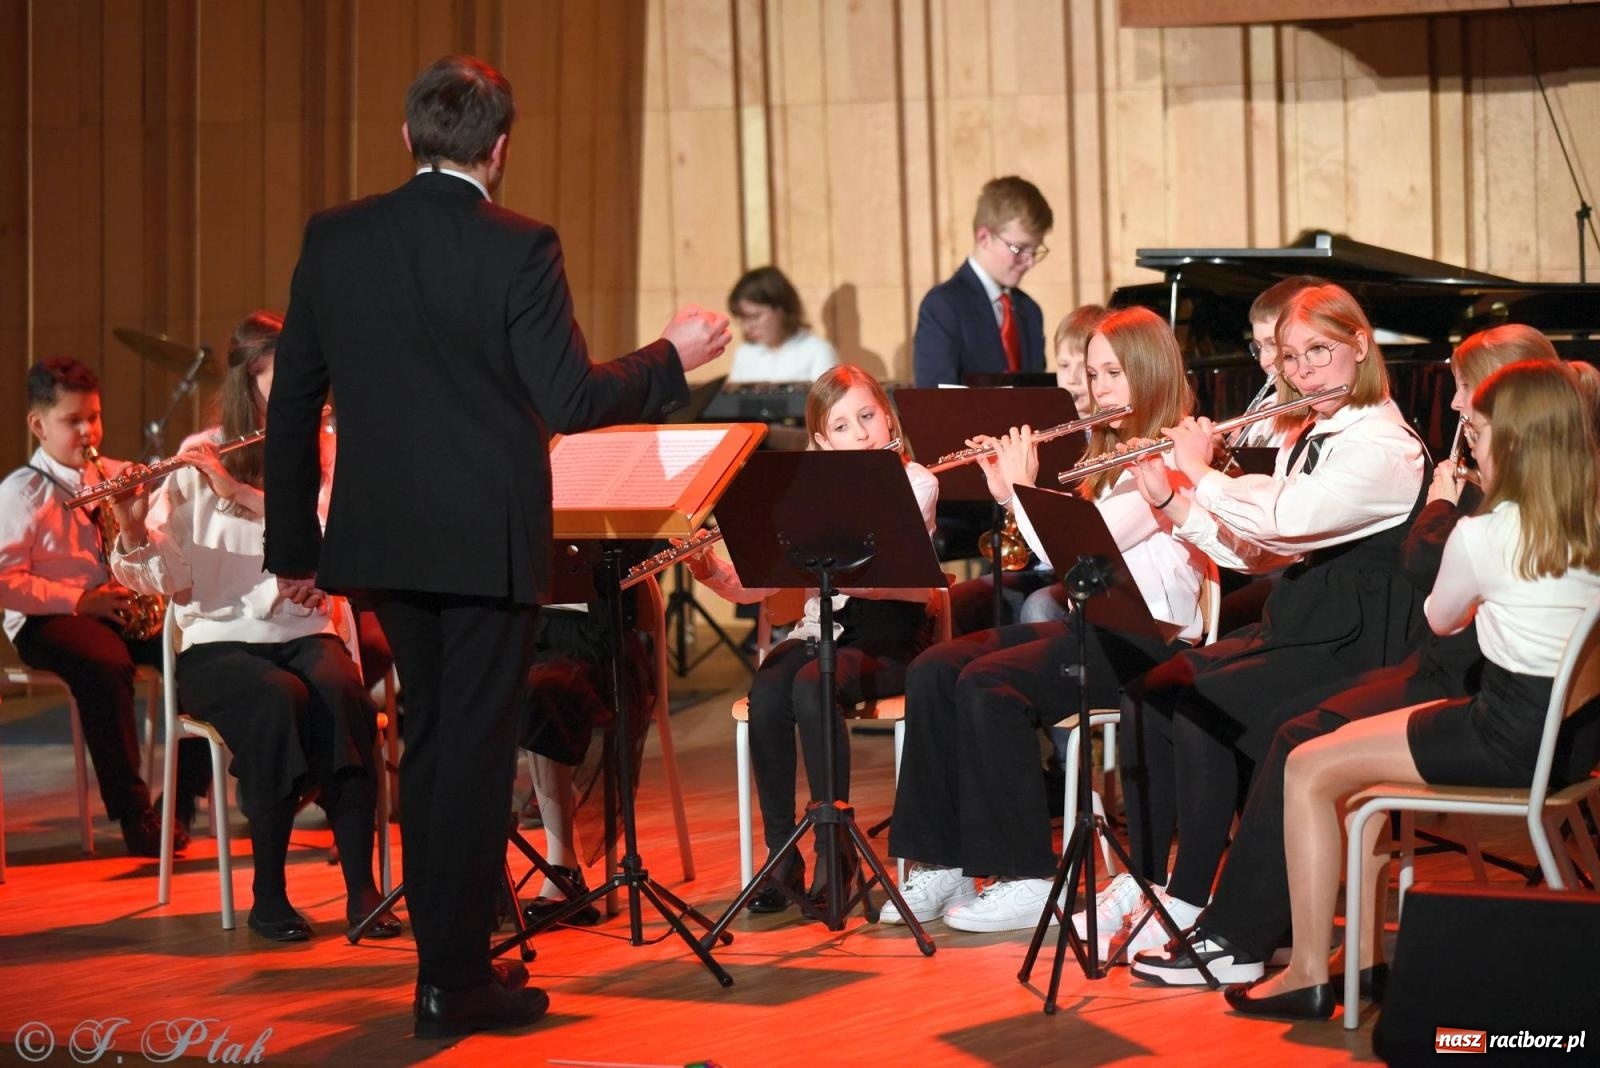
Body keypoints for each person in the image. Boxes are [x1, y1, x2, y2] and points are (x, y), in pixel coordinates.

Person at [262, 54, 729, 1039]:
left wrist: (293, 541)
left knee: (435, 741)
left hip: (381, 539)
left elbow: (295, 398)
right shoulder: (519, 244)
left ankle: (447, 966)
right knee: (468, 754)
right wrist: (668, 358)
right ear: (502, 148)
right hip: (484, 542)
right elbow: (570, 400)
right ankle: (455, 981)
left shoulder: (335, 237)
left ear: (407, 139)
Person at [1129, 323, 1563, 987]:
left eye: (1466, 392)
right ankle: (1255, 926)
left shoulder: (1480, 505)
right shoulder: (1555, 498)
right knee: (1266, 714)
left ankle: (1240, 937)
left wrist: (1444, 508)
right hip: (1526, 706)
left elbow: (1438, 611)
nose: (1452, 407)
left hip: (1468, 689)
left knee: (1298, 737)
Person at [1227, 359, 1600, 1019]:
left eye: (1478, 432)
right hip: (1571, 743)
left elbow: (1440, 616)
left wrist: (1441, 505)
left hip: (1504, 737)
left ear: (1511, 444)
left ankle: (1308, 974)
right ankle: (1360, 962)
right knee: (1345, 758)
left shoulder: (1483, 534)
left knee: (1309, 764)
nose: (1470, 442)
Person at [1096, 282, 1427, 959]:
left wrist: (1201, 473)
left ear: (1360, 347)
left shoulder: (1385, 447)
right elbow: (1259, 551)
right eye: (1292, 359)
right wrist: (1175, 504)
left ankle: (1204, 908)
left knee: (1204, 702)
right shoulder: (1314, 436)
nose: (1306, 374)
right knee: (1154, 692)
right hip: (1306, 627)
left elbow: (1287, 518)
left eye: (1321, 353)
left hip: (1359, 646)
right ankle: (1161, 885)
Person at [881, 306, 1207, 932]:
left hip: (1153, 643)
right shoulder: (1108, 451)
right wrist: (1014, 491)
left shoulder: (1165, 458)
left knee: (988, 684)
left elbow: (1086, 548)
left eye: (1113, 373)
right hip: (1099, 626)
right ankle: (945, 858)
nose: (1098, 388)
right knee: (934, 667)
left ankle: (1028, 876)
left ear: (1150, 372)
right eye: (1093, 373)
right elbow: (1072, 547)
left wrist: (1018, 492)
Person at [109, 311, 397, 944]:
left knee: (344, 696)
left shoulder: (326, 451)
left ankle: (363, 894)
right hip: (218, 642)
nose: (307, 386)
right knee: (276, 699)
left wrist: (238, 492)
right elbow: (172, 579)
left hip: (306, 627)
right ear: (249, 379)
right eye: (286, 373)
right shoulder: (197, 455)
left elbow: (336, 544)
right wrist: (133, 525)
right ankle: (269, 895)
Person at [683, 365, 939, 913]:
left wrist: (815, 538)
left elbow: (887, 573)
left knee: (808, 685)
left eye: (868, 416)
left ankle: (834, 847)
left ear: (887, 417)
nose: (862, 433)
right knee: (771, 685)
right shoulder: (803, 495)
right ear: (823, 441)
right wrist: (709, 567)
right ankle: (782, 856)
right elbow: (756, 588)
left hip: (890, 634)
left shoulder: (914, 481)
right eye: (843, 426)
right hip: (825, 630)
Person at [0, 357, 208, 857]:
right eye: (73, 421)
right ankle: (134, 813)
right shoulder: (19, 493)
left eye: (93, 417)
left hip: (123, 611)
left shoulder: (116, 474)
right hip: (50, 618)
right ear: (38, 424)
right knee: (103, 665)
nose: (89, 430)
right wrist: (79, 599)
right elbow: (6, 581)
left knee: (202, 658)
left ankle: (179, 805)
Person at [913, 176, 1052, 387]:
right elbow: (934, 398)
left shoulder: (1029, 310)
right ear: (984, 237)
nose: (1030, 261)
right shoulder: (943, 306)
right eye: (1020, 249)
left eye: (1035, 251)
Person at [724, 266, 839, 383]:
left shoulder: (818, 352)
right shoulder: (744, 353)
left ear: (782, 309)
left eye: (755, 317)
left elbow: (826, 400)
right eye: (743, 320)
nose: (747, 327)